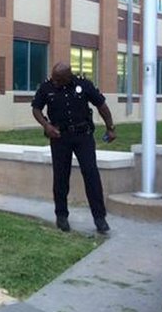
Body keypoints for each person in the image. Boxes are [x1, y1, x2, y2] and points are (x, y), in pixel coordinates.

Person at [31, 62, 117, 234]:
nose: (55, 82)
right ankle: (61, 216)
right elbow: (36, 109)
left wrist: (110, 127)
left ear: (67, 77)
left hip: (83, 136)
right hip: (59, 137)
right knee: (61, 177)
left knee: (91, 174)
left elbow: (102, 106)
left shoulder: (83, 84)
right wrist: (46, 126)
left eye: (59, 80)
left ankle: (99, 218)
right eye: (54, 79)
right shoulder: (47, 87)